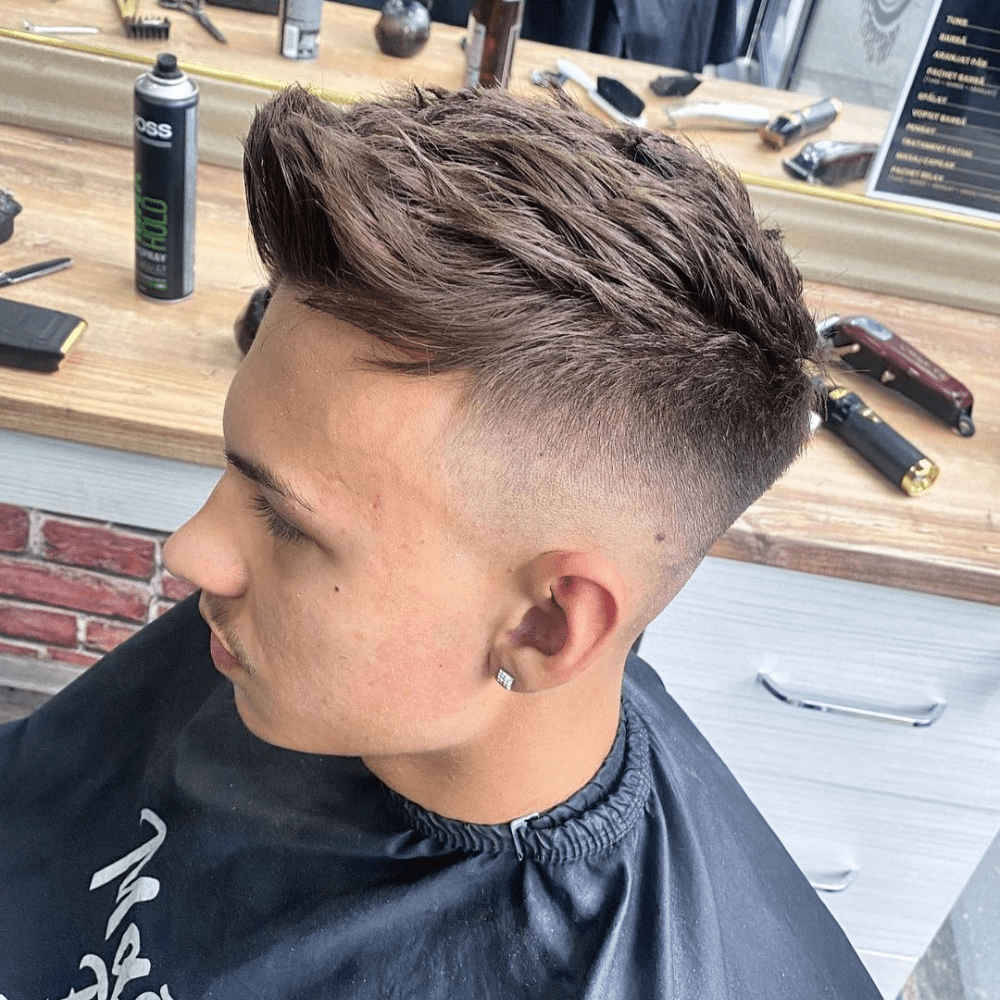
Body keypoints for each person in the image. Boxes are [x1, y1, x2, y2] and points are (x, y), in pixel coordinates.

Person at [0, 84, 880, 999]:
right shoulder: (283, 647)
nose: (190, 552)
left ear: (544, 628)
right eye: (237, 473)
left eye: (286, 522)